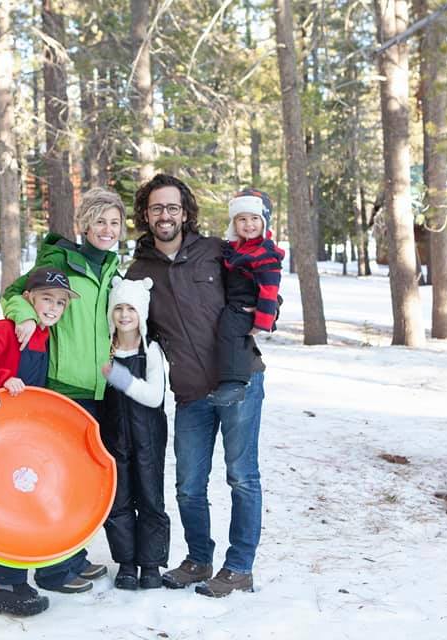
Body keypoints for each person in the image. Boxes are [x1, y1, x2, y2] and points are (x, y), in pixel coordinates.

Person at [126, 174, 266, 598]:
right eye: (156, 208)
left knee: (242, 477)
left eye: (172, 207)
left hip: (240, 382)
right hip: (189, 393)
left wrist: (263, 315)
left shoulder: (216, 252)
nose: (164, 215)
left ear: (185, 212)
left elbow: (258, 285)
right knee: (189, 484)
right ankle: (198, 558)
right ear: (146, 215)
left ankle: (239, 566)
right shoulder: (139, 270)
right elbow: (133, 330)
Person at [0, 187, 126, 593]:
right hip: (62, 387)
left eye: (114, 222)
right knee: (56, 479)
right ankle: (52, 569)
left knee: (82, 481)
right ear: (84, 223)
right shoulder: (60, 260)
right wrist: (24, 319)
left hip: (100, 389)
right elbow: (15, 294)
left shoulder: (113, 268)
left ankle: (70, 556)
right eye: (99, 221)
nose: (107, 229)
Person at [0, 266, 79, 617]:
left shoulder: (44, 335)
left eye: (60, 302)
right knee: (6, 505)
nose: (53, 307)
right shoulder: (6, 331)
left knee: (23, 504)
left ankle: (16, 580)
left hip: (26, 436)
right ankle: (2, 587)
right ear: (29, 299)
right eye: (46, 299)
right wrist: (2, 378)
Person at [99, 276, 170, 591]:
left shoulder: (151, 351)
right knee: (119, 500)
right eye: (119, 308)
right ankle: (127, 563)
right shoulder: (106, 349)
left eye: (131, 309)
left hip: (148, 438)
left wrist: (120, 378)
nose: (124, 315)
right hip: (114, 438)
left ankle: (151, 563)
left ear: (141, 313)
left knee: (151, 498)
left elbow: (155, 397)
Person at [207, 188, 284, 406]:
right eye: (242, 219)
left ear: (264, 221)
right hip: (236, 302)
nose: (248, 224)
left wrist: (263, 320)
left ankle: (234, 383)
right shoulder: (240, 247)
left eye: (254, 219)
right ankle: (231, 380)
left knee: (230, 331)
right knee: (227, 332)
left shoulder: (265, 253)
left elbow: (270, 290)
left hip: (248, 306)